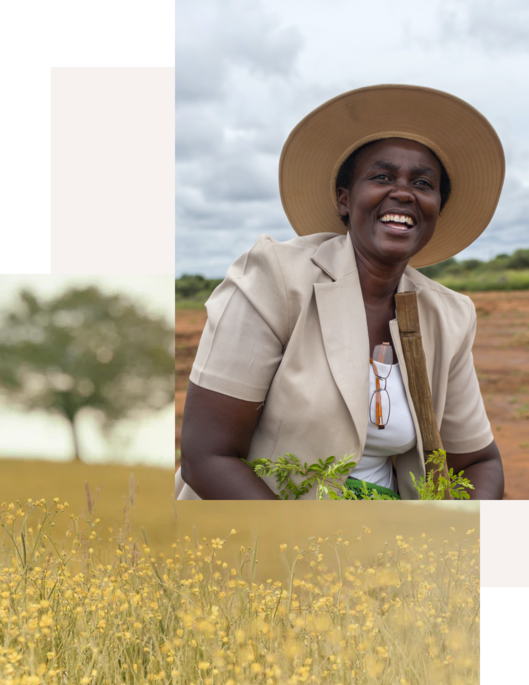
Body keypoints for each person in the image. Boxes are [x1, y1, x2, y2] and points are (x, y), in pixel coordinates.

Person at [176, 84, 505, 500]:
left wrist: (455, 544)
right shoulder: (275, 278)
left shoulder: (448, 316)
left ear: (437, 206)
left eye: (423, 183)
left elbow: (479, 462)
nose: (403, 192)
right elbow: (207, 456)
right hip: (262, 535)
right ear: (345, 200)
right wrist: (310, 558)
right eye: (382, 177)